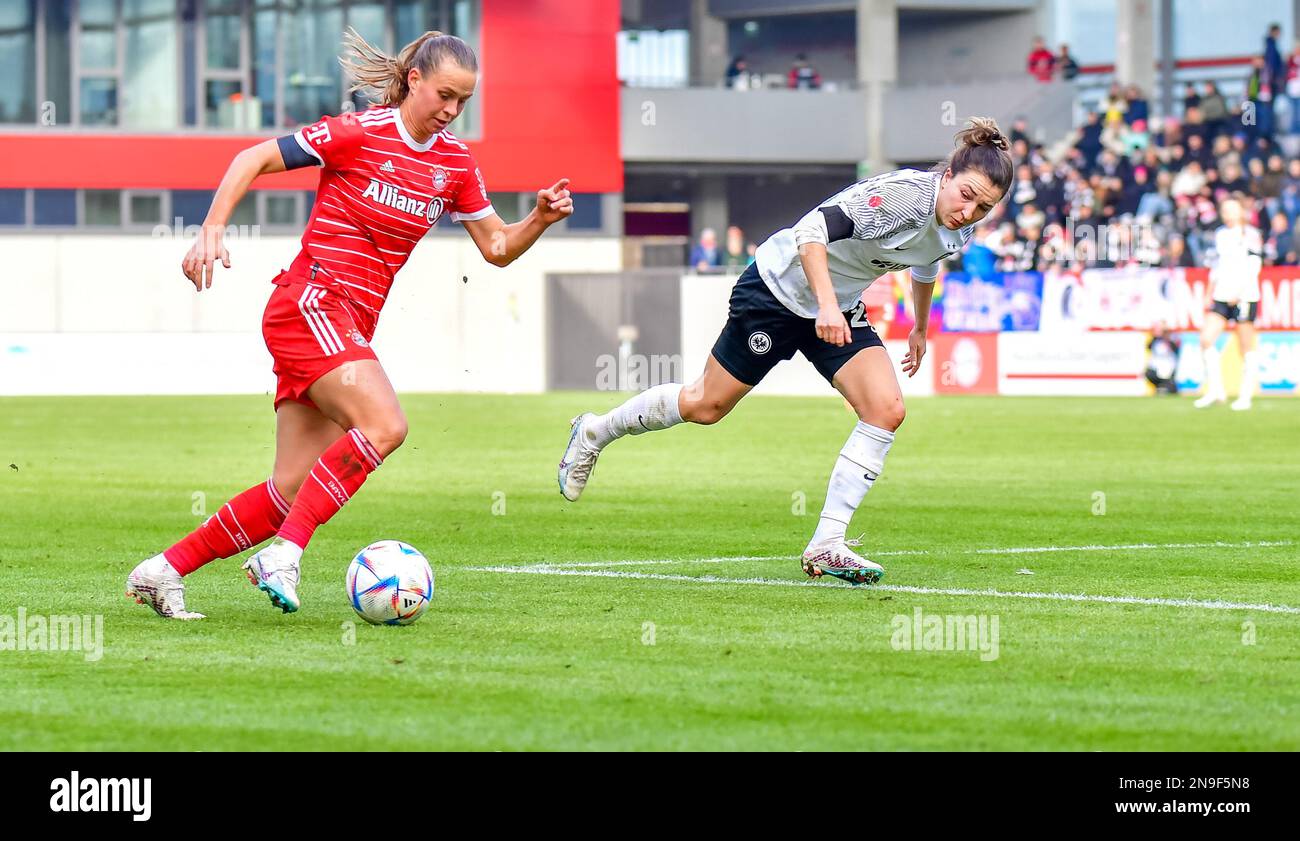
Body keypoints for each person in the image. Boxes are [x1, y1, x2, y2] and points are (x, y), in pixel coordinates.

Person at [125, 29, 574, 619]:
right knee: (386, 424)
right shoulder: (359, 132)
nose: (451, 111)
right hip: (310, 302)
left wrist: (538, 219)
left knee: (290, 490)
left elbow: (495, 246)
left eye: (463, 101)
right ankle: (285, 555)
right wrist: (212, 226)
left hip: (347, 324)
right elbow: (252, 157)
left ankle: (163, 570)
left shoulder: (455, 163)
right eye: (444, 94)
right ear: (414, 79)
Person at [558, 119, 1012, 584]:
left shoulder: (960, 228)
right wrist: (828, 306)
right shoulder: (904, 199)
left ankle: (827, 545)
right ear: (950, 173)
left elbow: (925, 264)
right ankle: (594, 431)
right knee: (705, 406)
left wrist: (918, 326)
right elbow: (811, 230)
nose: (969, 210)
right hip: (777, 289)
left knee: (886, 409)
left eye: (984, 206)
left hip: (835, 308)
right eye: (967, 194)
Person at [1195, 198, 1263, 411]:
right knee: (1206, 339)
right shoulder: (1221, 235)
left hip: (1245, 296)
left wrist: (1240, 291)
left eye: (1232, 209)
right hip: (1222, 295)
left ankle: (1245, 396)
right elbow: (1217, 265)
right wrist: (1209, 291)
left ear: (1242, 211)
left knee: (1245, 347)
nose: (1227, 213)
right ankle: (1216, 391)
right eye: (1224, 210)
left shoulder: (1250, 234)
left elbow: (1254, 266)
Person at [1145, 322, 1181, 394]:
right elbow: (1149, 346)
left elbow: (1176, 349)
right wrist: (1156, 335)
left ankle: (1165, 388)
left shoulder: (1172, 339)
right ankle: (1160, 387)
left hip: (1169, 367)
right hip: (1155, 368)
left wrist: (1167, 337)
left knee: (1171, 387)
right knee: (1149, 374)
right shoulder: (1156, 340)